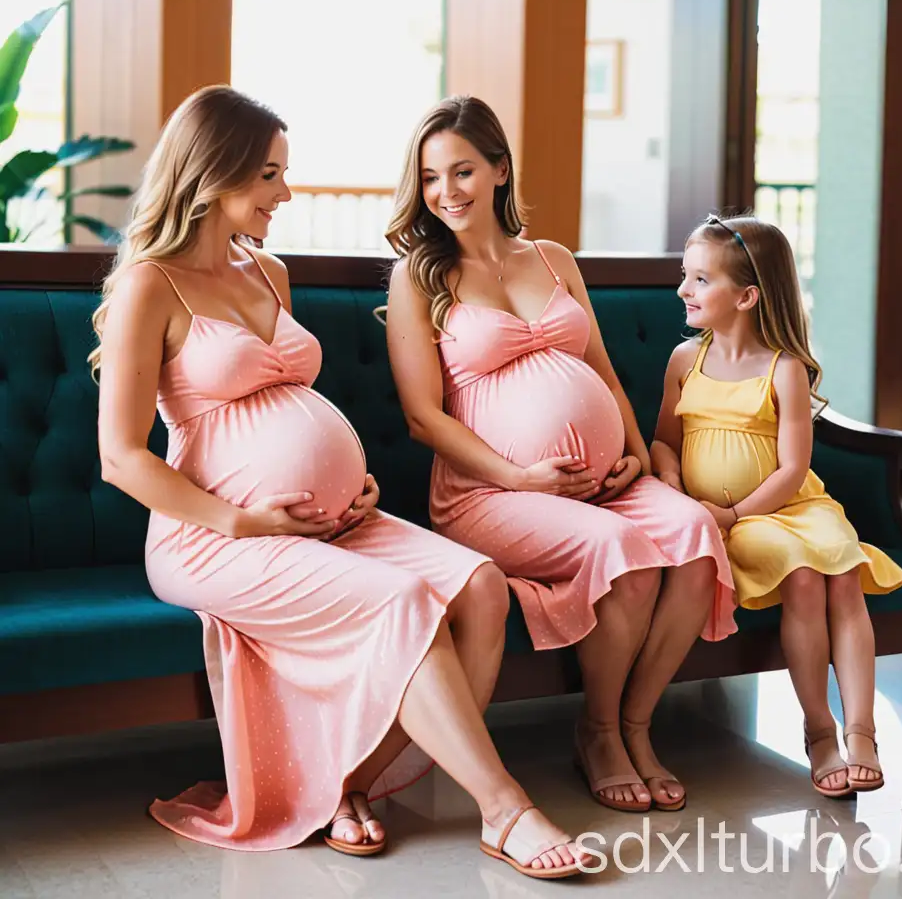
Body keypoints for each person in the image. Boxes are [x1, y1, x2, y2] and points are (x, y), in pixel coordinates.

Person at [92, 85, 591, 879]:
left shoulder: (268, 272)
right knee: (404, 601)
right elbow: (122, 457)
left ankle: (345, 783)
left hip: (330, 519)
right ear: (212, 172)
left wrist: (350, 484)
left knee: (483, 589)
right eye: (268, 175)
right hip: (215, 536)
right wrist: (241, 521)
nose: (283, 193)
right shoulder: (152, 285)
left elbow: (295, 401)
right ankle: (504, 808)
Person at [384, 95, 737, 815]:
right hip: (493, 495)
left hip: (605, 483)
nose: (445, 192)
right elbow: (423, 418)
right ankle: (600, 733)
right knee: (625, 555)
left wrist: (636, 457)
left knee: (697, 535)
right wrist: (519, 476)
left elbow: (603, 372)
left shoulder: (553, 259)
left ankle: (634, 725)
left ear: (500, 170)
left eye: (462, 172)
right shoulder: (420, 276)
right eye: (429, 178)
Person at [651, 214, 902, 798]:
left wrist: (736, 513)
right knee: (801, 575)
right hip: (730, 521)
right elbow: (664, 439)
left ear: (745, 296)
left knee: (840, 575)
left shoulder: (784, 368)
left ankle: (862, 731)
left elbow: (794, 469)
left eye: (699, 280)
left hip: (789, 506)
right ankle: (820, 732)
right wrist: (671, 481)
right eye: (685, 277)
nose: (683, 291)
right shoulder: (682, 360)